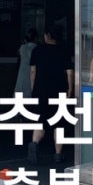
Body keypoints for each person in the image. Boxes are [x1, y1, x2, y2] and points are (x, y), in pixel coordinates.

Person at [27, 22, 74, 165]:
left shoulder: (37, 50)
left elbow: (33, 71)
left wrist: (33, 88)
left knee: (40, 121)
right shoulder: (64, 51)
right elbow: (70, 72)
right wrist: (70, 89)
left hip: (40, 91)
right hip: (59, 91)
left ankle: (34, 143)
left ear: (47, 35)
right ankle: (58, 154)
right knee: (58, 123)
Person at [14, 28, 38, 97]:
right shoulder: (36, 48)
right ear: (35, 38)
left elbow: (18, 53)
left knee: (21, 91)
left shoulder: (22, 47)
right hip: (32, 73)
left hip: (22, 73)